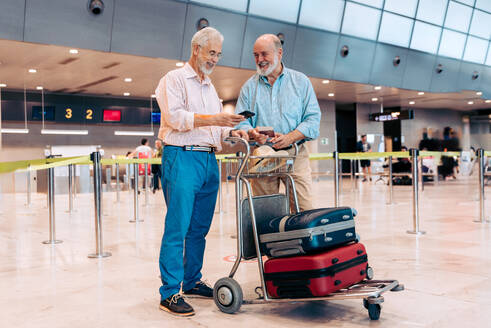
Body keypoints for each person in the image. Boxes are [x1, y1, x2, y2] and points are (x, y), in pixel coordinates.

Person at [154, 27, 247, 317]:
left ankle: (191, 280)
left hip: (208, 161)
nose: (215, 58)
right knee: (177, 227)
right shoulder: (174, 79)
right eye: (212, 52)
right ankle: (169, 292)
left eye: (219, 54)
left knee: (199, 229)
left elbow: (219, 132)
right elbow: (175, 117)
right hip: (181, 157)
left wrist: (244, 133)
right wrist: (216, 117)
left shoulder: (209, 87)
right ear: (196, 49)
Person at [235, 34, 321, 211]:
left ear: (279, 53)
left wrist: (291, 137)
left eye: (264, 54)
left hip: (295, 153)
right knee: (265, 212)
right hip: (262, 156)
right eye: (256, 55)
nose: (260, 60)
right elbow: (241, 122)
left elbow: (313, 119)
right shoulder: (249, 87)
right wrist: (251, 133)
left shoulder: (301, 82)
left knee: (303, 209)